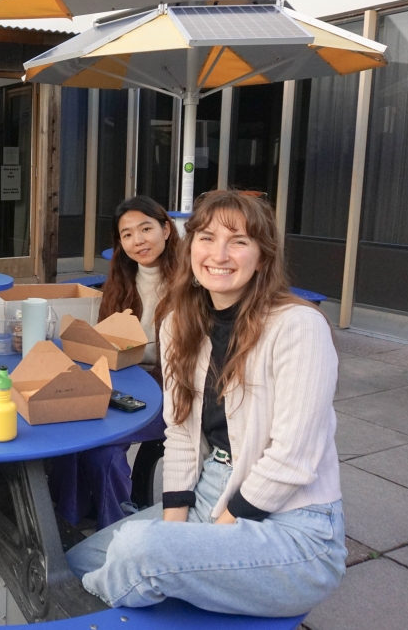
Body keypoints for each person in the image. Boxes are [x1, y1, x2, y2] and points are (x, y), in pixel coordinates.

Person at [65, 190, 345, 617]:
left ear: (262, 256)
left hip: (295, 527)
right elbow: (179, 432)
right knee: (79, 563)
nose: (220, 254)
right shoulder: (179, 323)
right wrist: (176, 535)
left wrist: (205, 538)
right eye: (207, 238)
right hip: (209, 493)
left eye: (239, 241)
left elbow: (292, 458)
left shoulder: (298, 327)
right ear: (190, 247)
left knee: (138, 553)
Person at [49, 197, 175, 530]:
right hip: (126, 383)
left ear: (166, 228)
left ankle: (116, 529)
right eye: (128, 234)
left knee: (101, 448)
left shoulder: (192, 284)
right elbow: (105, 346)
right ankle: (69, 519)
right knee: (65, 426)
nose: (139, 241)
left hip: (170, 394)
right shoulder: (120, 282)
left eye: (146, 229)